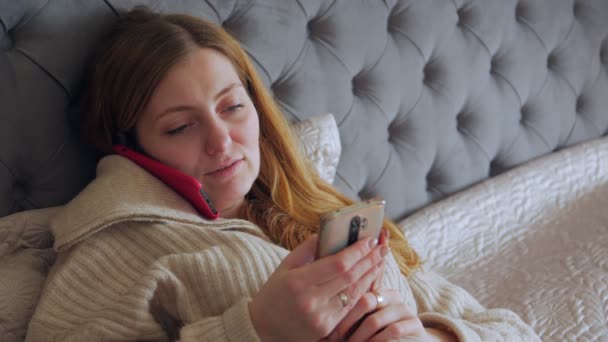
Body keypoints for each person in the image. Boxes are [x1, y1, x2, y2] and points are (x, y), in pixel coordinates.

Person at [26, 7, 539, 342]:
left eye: (232, 107)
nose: (221, 143)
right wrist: (254, 330)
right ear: (131, 145)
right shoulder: (109, 251)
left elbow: (512, 330)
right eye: (180, 126)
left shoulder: (314, 207)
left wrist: (434, 338)